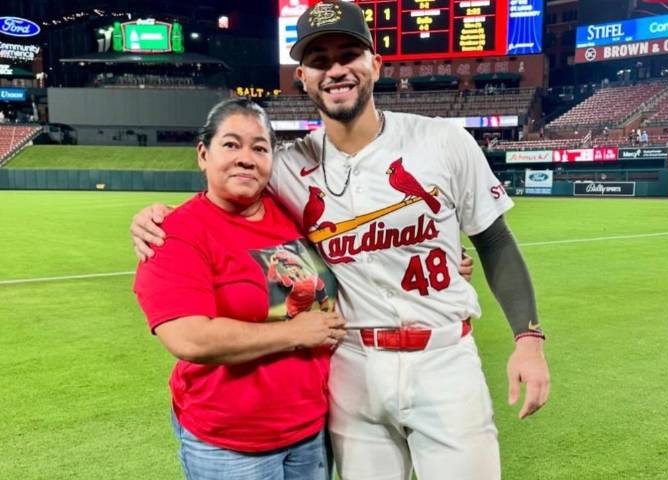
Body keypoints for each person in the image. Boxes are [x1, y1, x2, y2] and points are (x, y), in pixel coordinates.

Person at [131, 2, 550, 479]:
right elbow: (227, 190)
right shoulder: (286, 167)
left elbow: (495, 241)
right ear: (303, 78)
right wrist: (155, 217)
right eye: (319, 60)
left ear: (376, 63)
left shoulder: (443, 141)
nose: (335, 70)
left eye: (348, 54)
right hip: (351, 366)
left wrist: (529, 339)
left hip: (443, 358)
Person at [133, 98, 347, 480]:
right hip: (230, 444)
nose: (246, 159)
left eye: (260, 148)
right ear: (203, 154)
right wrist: (294, 333)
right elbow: (190, 338)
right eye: (231, 144)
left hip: (311, 431)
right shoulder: (175, 234)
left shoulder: (291, 211)